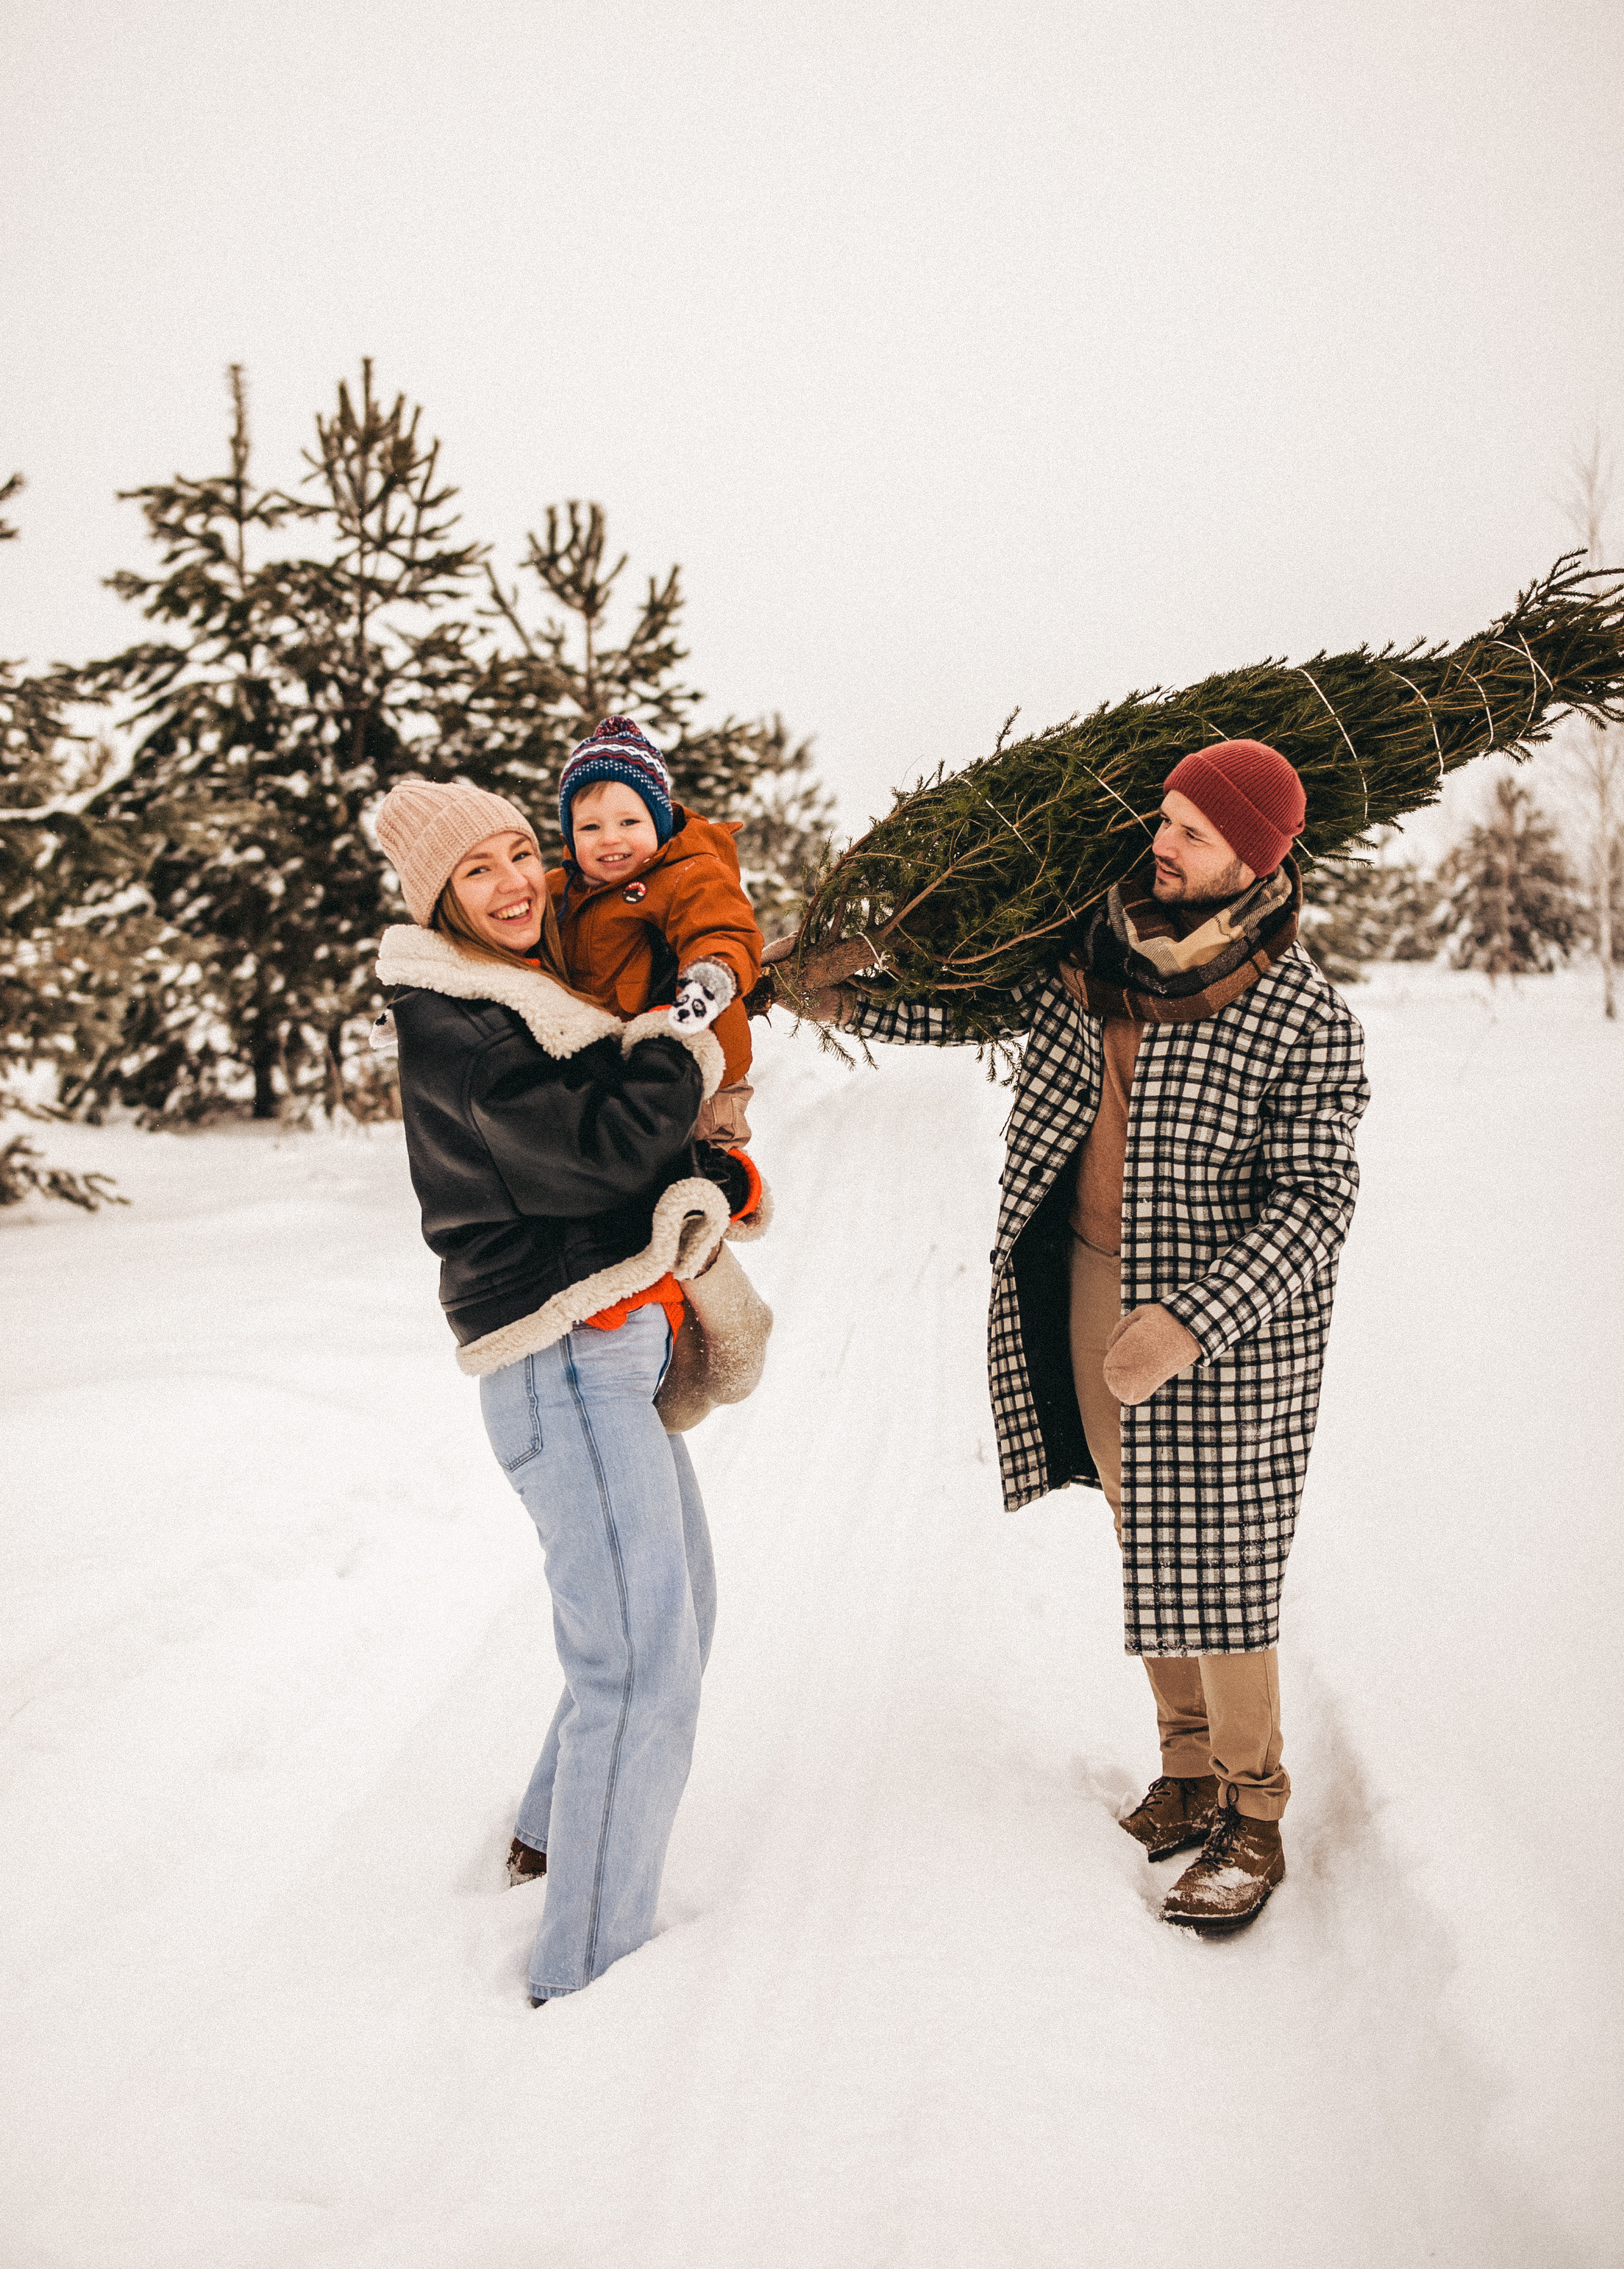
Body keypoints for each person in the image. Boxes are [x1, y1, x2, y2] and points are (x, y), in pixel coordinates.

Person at [797, 740, 1368, 1931]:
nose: (1163, 844)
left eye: (1194, 833)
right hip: (1089, 1283)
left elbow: (1316, 1204)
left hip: (1228, 1330)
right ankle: (1188, 1768)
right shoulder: (1086, 957)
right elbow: (958, 1012)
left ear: (1253, 861)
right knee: (1142, 1524)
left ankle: (1255, 1815)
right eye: (1164, 819)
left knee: (1225, 1561)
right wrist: (844, 988)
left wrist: (1191, 1323)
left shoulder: (1301, 1012)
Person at [372, 775, 761, 2004]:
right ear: (438, 898)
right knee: (639, 1668)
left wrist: (706, 1166)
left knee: (677, 1614)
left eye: (515, 854)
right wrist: (682, 1042)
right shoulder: (460, 1020)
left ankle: (549, 1835)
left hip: (603, 1352)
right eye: (475, 870)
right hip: (559, 1364)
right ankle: (584, 1976)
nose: (513, 881)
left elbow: (618, 1156)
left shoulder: (526, 995)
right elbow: (594, 1147)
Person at [549, 716, 764, 1148]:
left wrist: (711, 977)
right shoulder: (559, 891)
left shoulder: (689, 874)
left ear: (660, 822)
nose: (610, 839)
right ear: (570, 835)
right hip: (604, 1072)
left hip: (699, 1074)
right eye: (590, 827)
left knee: (699, 1171)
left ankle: (724, 1191)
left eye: (629, 822)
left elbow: (721, 927)